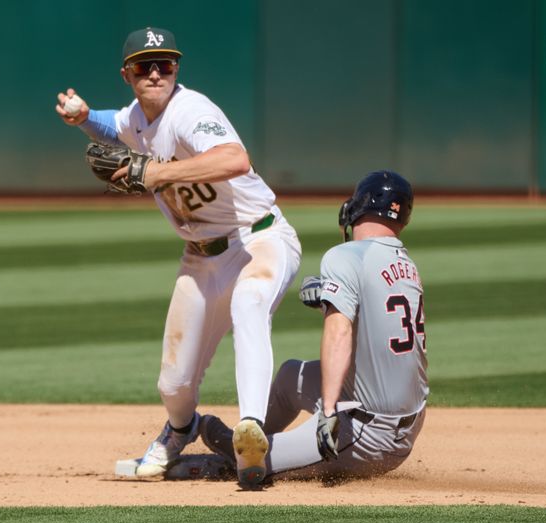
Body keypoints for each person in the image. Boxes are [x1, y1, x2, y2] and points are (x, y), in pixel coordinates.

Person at [55, 27, 301, 485]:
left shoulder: (191, 111)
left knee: (250, 305)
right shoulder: (138, 115)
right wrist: (86, 117)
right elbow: (118, 125)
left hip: (258, 240)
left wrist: (157, 172)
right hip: (200, 258)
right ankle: (181, 429)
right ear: (127, 75)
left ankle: (251, 432)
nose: (155, 73)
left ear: (176, 69)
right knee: (174, 385)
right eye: (144, 66)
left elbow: (235, 159)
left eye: (164, 64)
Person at [200, 170, 428, 484]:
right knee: (290, 375)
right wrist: (328, 296)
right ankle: (255, 435)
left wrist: (330, 411)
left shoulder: (344, 255)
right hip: (406, 423)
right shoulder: (407, 265)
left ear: (359, 206)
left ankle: (239, 454)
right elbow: (376, 315)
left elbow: (340, 331)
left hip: (366, 434)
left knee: (249, 463)